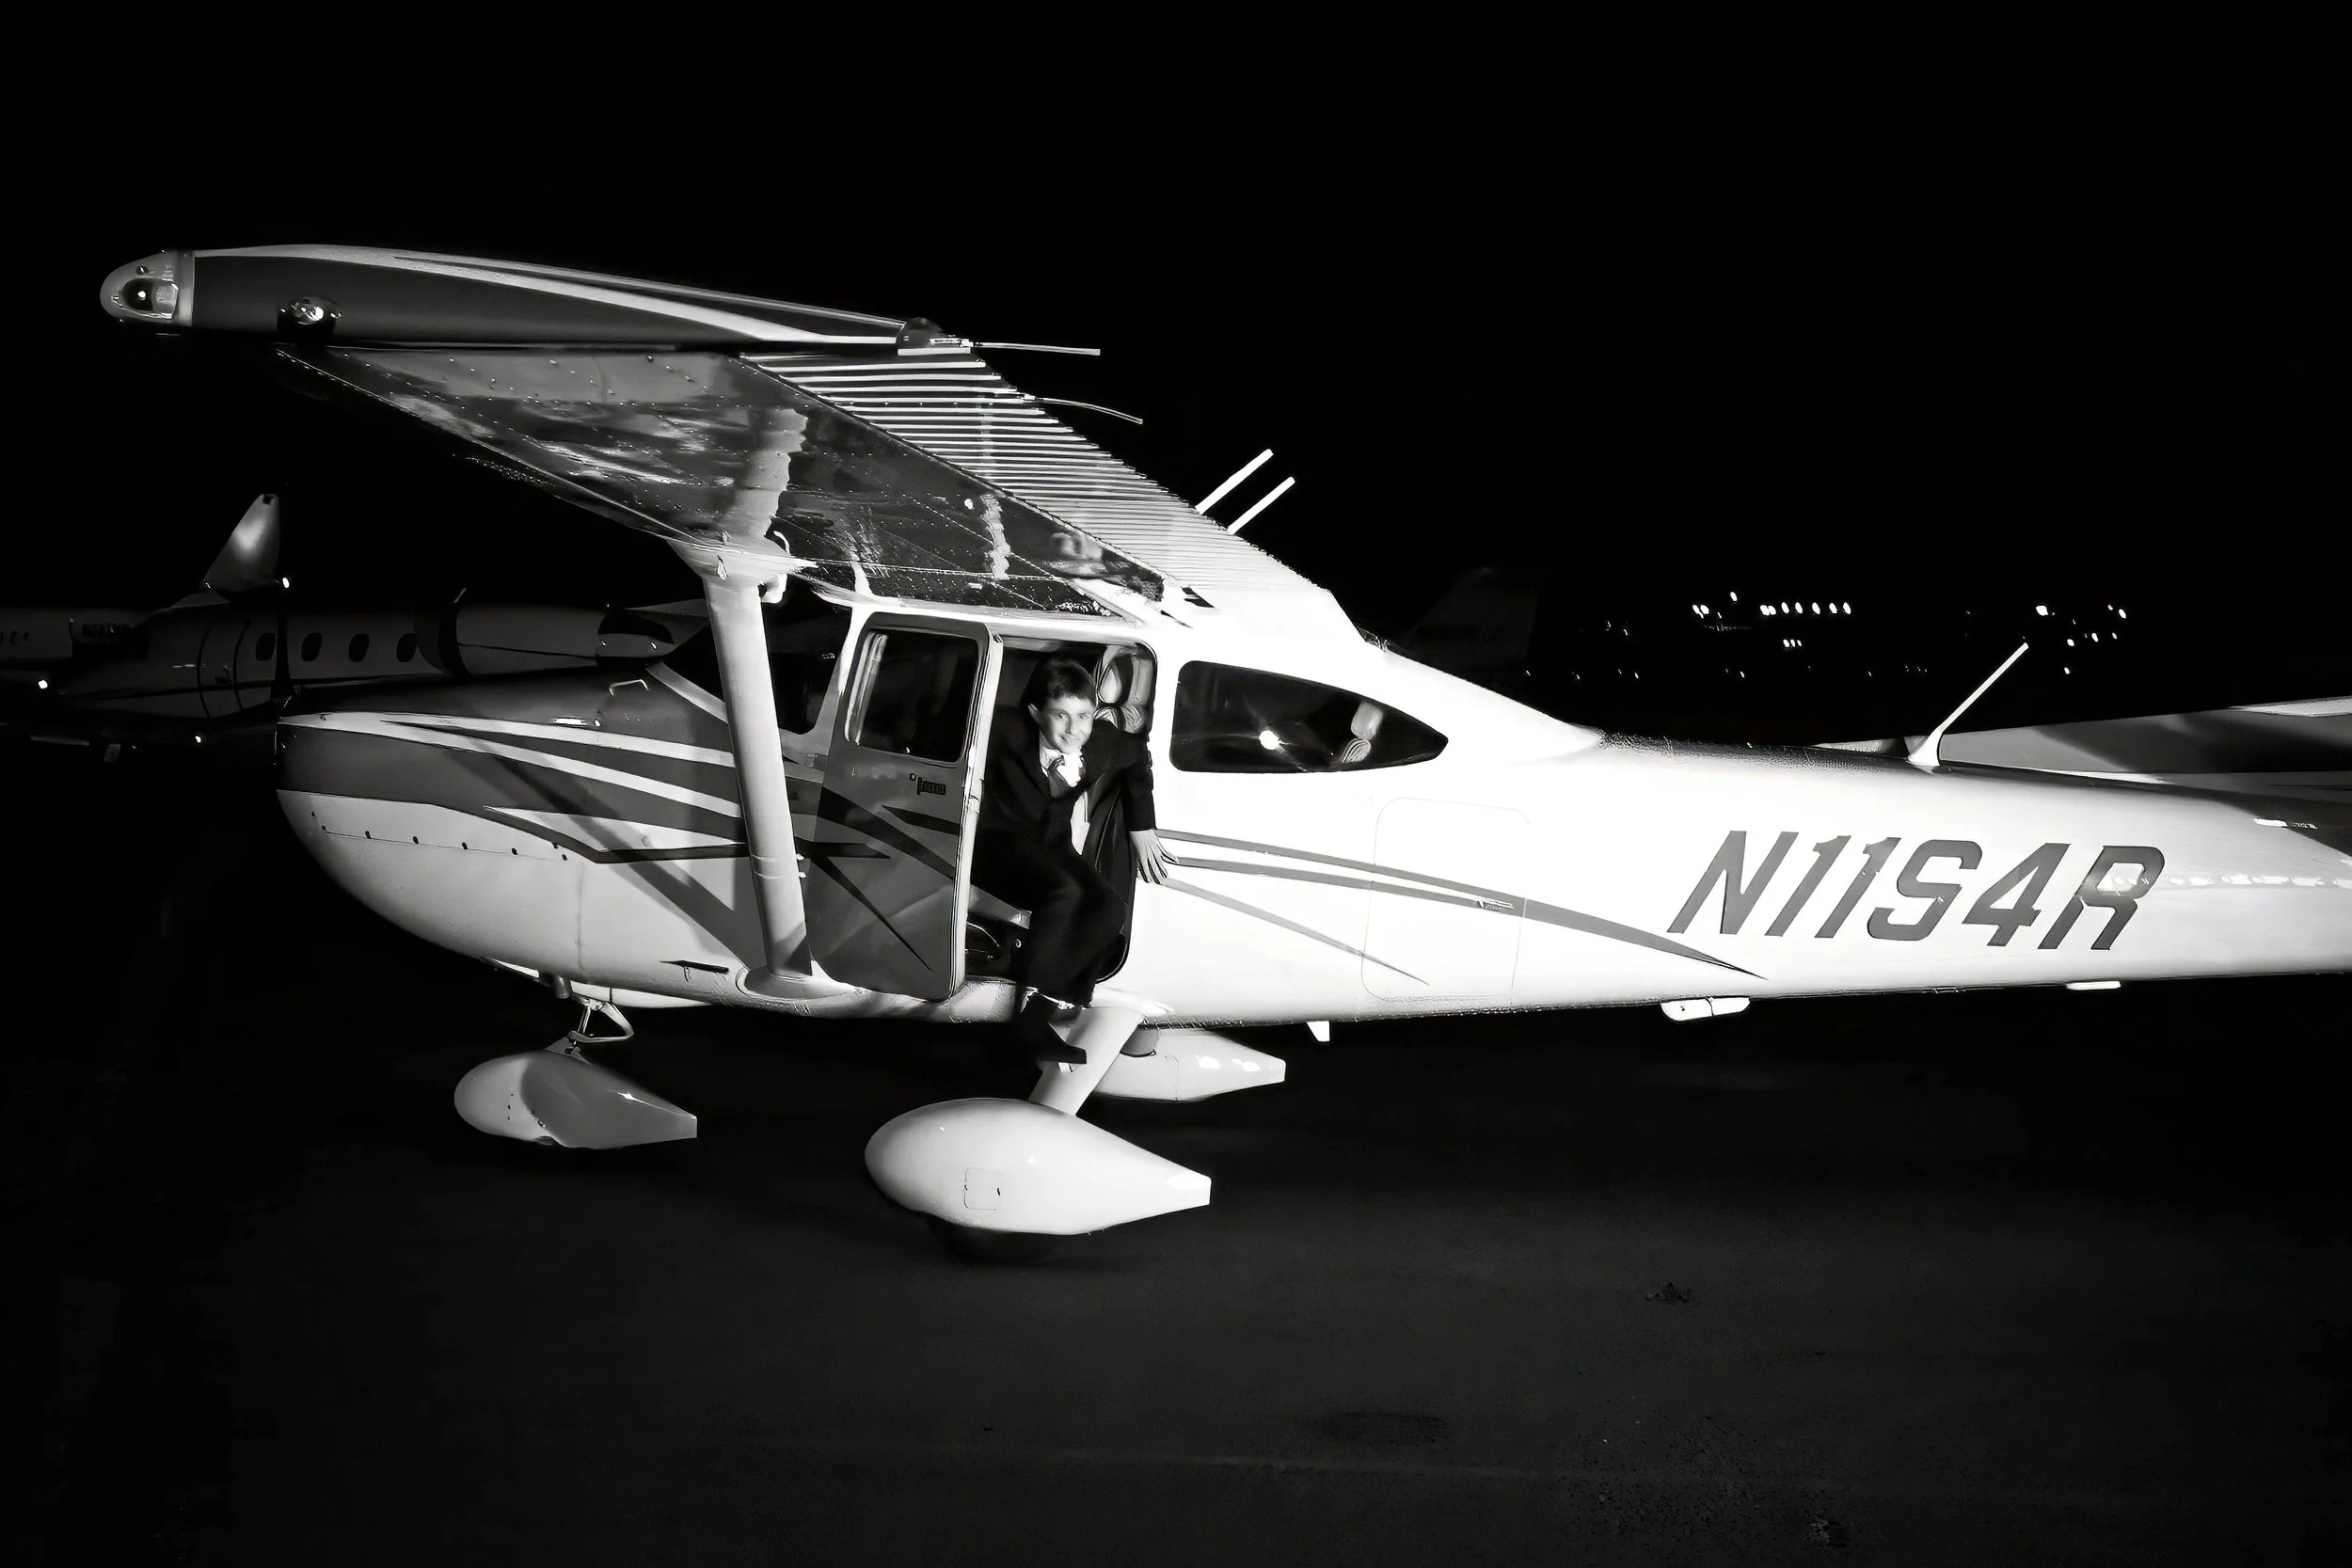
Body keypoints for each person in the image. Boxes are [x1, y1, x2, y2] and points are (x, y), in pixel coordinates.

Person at [974, 657, 1174, 1064]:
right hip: (995, 847)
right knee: (1065, 893)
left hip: (1053, 846)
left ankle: (1050, 999)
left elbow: (1137, 756)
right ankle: (1027, 1019)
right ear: (1035, 714)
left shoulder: (1100, 741)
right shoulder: (1005, 731)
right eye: (1060, 716)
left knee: (1108, 909)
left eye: (1083, 715)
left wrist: (1141, 826)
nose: (1074, 729)